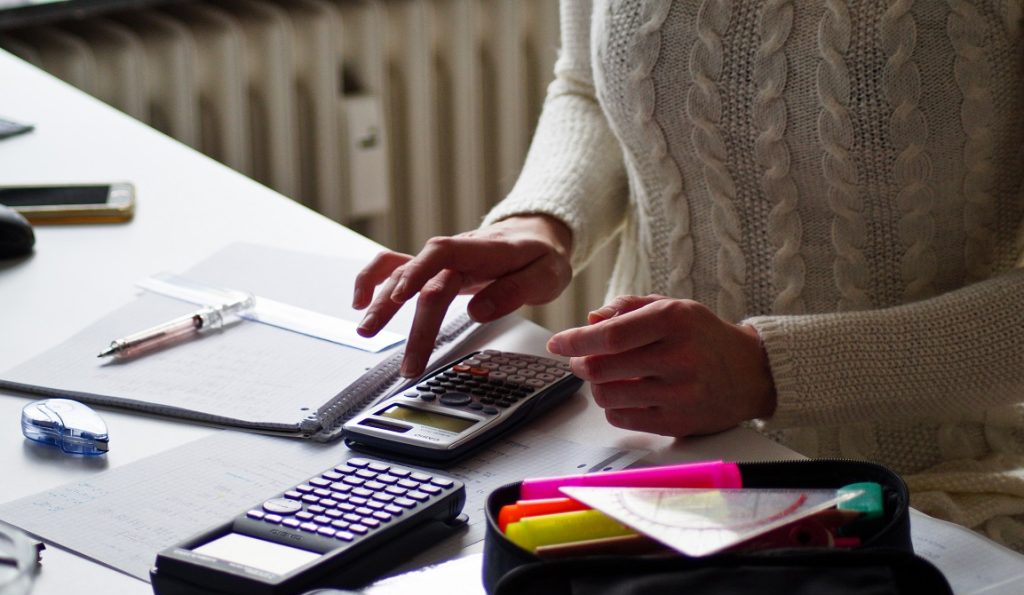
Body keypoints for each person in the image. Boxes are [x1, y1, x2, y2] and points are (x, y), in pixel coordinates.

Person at [353, 2, 1024, 548]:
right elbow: (585, 84)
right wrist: (541, 222)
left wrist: (769, 371)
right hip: (649, 455)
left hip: (942, 493)